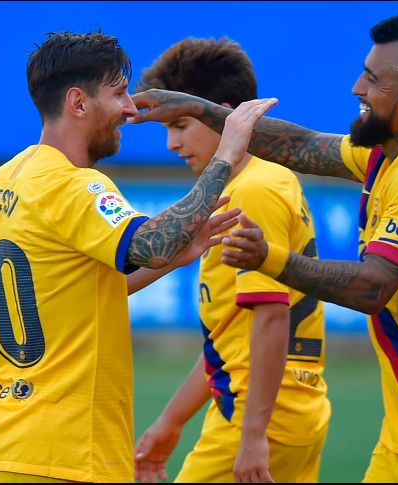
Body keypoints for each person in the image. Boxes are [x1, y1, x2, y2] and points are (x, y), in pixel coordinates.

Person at [130, 13, 398, 483]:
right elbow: (299, 144)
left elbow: (373, 287)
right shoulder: (386, 155)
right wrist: (197, 107)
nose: (356, 88)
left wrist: (270, 258)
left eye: (372, 79)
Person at [0, 31, 277, 483]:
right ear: (78, 103)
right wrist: (227, 153)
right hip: (65, 454)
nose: (130, 108)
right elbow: (150, 243)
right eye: (119, 93)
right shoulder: (76, 186)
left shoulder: (6, 180)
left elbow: (81, 286)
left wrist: (178, 253)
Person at [131, 37, 330, 484]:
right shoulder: (261, 182)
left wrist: (254, 435)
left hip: (263, 418)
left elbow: (272, 318)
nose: (170, 144)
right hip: (285, 409)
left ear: (223, 114)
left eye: (179, 124)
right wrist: (172, 420)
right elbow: (234, 342)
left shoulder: (252, 192)